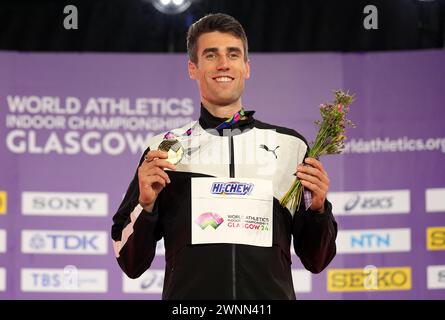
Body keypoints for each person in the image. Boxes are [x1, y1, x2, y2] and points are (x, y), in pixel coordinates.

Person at [111, 13, 337, 300]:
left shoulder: (291, 146)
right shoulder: (165, 149)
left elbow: (317, 260)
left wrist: (317, 212)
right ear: (192, 68)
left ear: (246, 67)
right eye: (210, 55)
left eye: (233, 54)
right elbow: (129, 261)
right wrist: (146, 206)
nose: (223, 64)